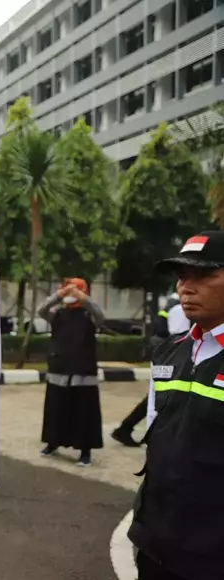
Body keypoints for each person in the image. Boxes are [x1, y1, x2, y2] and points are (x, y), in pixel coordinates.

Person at [128, 231, 224, 579]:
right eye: (182, 276)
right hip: (157, 543)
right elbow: (157, 434)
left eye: (204, 274)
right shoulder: (168, 351)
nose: (187, 286)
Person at [38, 278, 105, 467]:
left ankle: (85, 452)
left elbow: (101, 316)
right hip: (59, 368)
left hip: (83, 371)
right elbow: (41, 310)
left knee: (84, 412)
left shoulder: (88, 314)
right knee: (55, 409)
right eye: (67, 289)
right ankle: (52, 443)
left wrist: (84, 299)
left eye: (75, 290)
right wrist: (57, 296)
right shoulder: (57, 313)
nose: (70, 293)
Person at [112, 291, 184, 447]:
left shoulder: (175, 299)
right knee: (162, 396)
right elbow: (180, 336)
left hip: (164, 351)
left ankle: (126, 428)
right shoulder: (182, 304)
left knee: (157, 395)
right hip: (169, 353)